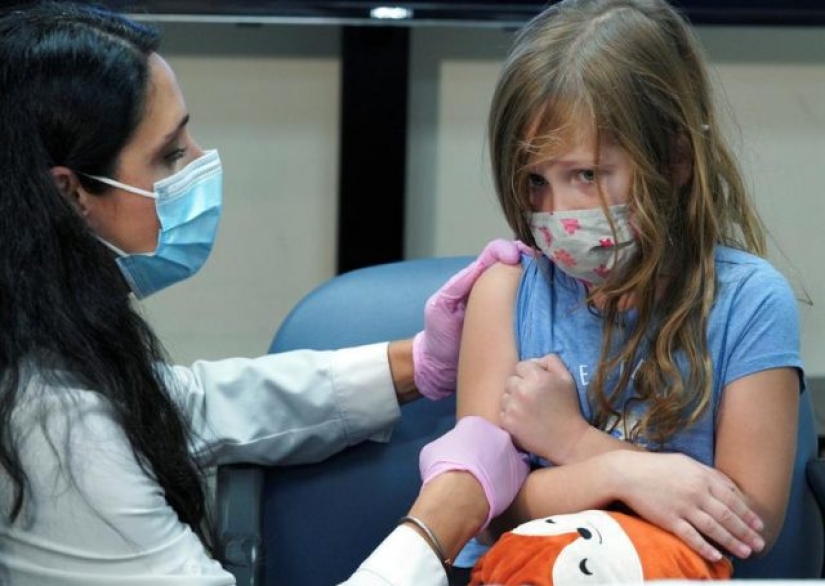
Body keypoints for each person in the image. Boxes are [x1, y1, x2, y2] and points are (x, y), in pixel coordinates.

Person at [0, 2, 526, 584]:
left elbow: (173, 406)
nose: (200, 164)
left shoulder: (37, 340)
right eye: (169, 155)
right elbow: (97, 432)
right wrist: (439, 522)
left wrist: (419, 363)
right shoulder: (44, 424)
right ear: (70, 195)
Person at [355, 0, 804, 584]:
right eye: (536, 181)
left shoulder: (750, 302)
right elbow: (484, 511)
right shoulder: (505, 293)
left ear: (672, 161)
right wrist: (624, 475)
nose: (556, 212)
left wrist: (571, 440)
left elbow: (746, 524)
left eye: (587, 176)